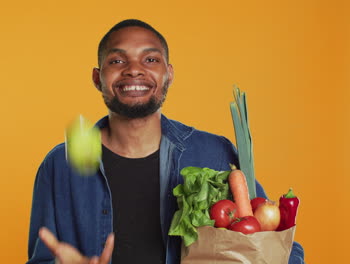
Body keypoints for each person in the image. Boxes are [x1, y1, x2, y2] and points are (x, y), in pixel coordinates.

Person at [26, 19, 305, 264]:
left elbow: (279, 249)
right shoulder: (60, 165)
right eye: (117, 60)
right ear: (98, 78)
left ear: (168, 74)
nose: (133, 70)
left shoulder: (216, 155)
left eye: (150, 60)